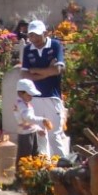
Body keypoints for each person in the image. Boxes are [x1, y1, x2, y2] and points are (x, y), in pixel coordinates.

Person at [18, 20, 69, 158]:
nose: (34, 39)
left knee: (54, 135)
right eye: (31, 35)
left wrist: (35, 71)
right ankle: (44, 165)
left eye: (37, 35)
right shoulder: (28, 49)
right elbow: (25, 75)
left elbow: (57, 70)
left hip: (52, 96)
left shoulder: (55, 45)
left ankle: (63, 164)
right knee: (40, 134)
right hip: (35, 97)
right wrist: (47, 71)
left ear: (45, 33)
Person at [14, 80, 44, 161]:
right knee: (25, 157)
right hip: (25, 134)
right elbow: (28, 118)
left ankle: (34, 167)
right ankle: (22, 169)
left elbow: (30, 120)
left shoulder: (25, 103)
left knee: (34, 154)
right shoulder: (20, 104)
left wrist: (38, 128)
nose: (31, 97)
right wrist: (42, 120)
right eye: (29, 95)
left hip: (31, 132)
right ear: (20, 93)